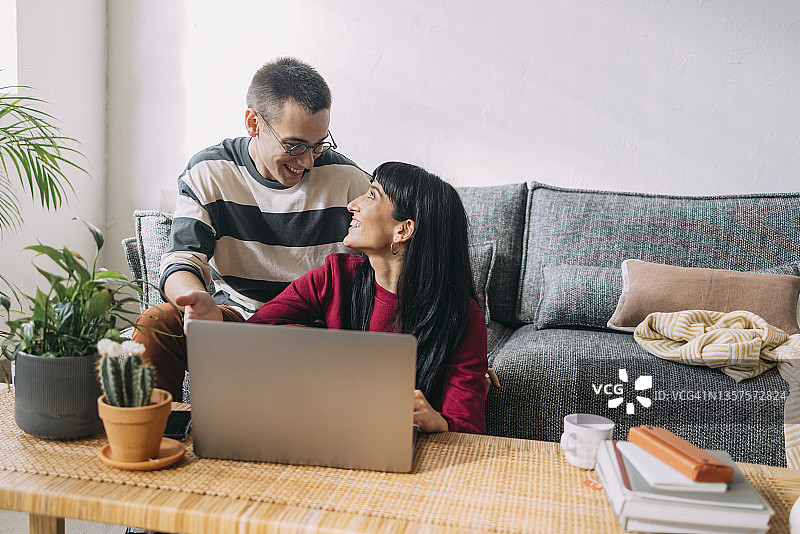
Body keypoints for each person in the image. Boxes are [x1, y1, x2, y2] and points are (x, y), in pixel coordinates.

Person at [133, 58, 370, 400]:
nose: (307, 162)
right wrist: (196, 299)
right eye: (294, 146)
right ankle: (157, 431)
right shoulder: (210, 172)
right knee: (156, 324)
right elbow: (181, 259)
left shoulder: (349, 181)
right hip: (234, 322)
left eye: (318, 145)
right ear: (253, 123)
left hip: (309, 332)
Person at [244, 162, 488, 434]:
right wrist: (317, 339)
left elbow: (468, 428)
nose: (352, 205)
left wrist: (437, 420)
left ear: (403, 230)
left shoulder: (462, 317)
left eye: (372, 195)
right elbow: (251, 335)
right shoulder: (334, 277)